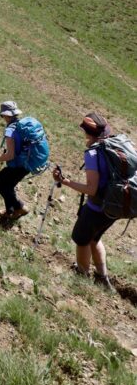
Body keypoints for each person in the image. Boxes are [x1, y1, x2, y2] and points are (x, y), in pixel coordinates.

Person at [53, 113, 116, 290]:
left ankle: (81, 276)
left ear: (88, 133)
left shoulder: (93, 153)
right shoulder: (114, 146)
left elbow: (91, 189)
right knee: (94, 238)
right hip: (115, 206)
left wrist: (65, 181)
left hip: (97, 207)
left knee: (81, 239)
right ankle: (103, 279)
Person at [0, 100, 32, 223]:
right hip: (28, 162)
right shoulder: (21, 124)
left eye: (2, 115)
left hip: (18, 165)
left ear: (6, 115)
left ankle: (20, 208)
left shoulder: (10, 130)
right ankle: (10, 212)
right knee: (7, 185)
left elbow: (10, 156)